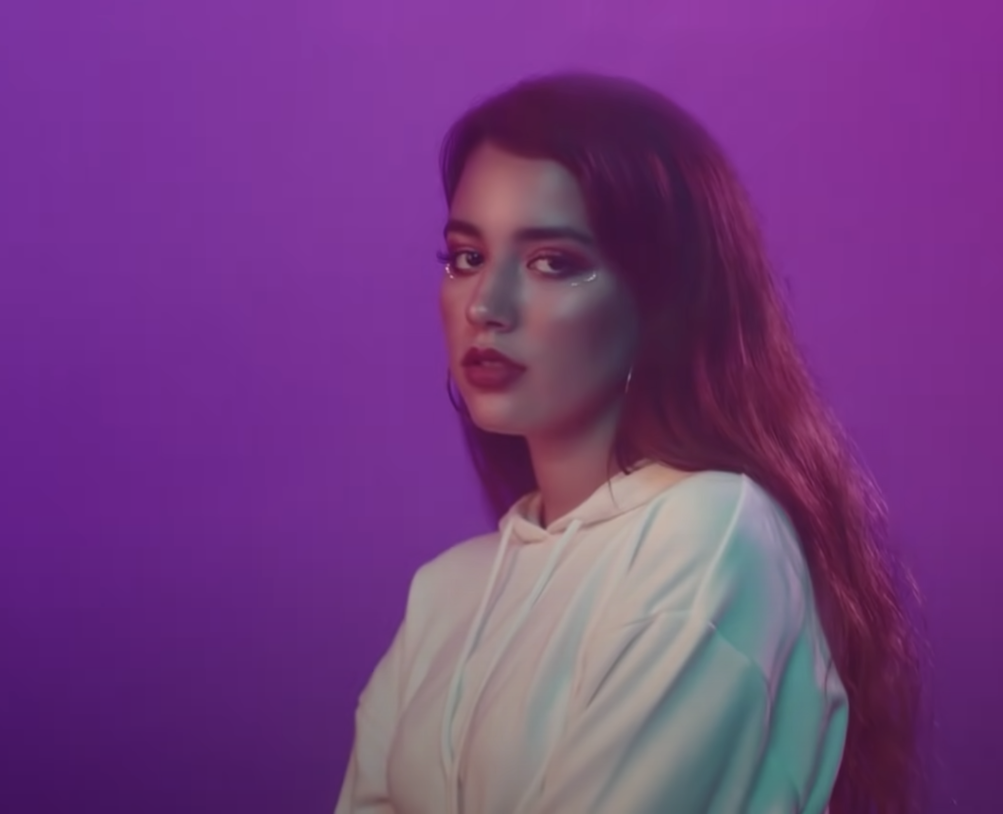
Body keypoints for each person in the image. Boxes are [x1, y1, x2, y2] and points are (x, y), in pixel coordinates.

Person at [335, 72, 922, 814]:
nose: (486, 305)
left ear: (660, 300)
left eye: (553, 262)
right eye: (465, 258)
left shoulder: (711, 534)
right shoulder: (445, 592)